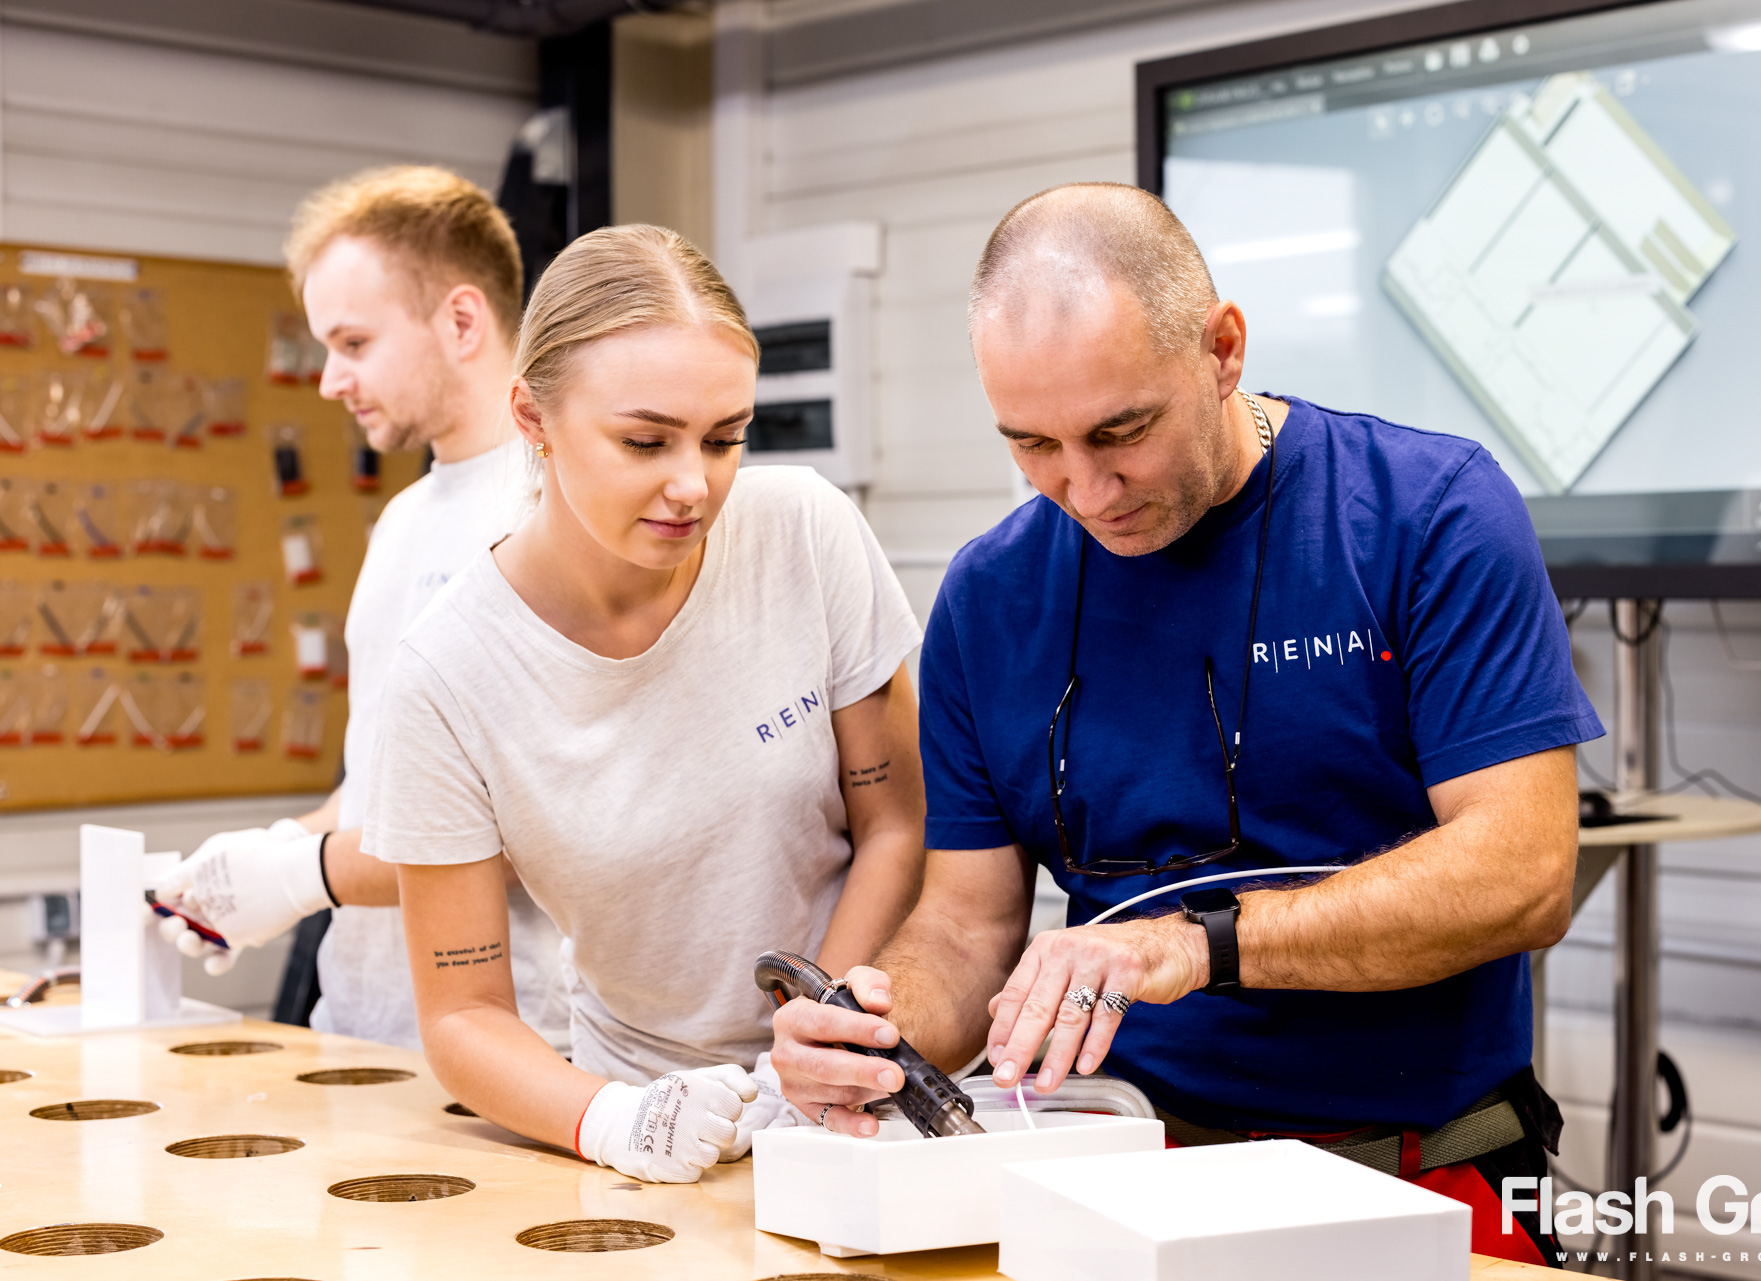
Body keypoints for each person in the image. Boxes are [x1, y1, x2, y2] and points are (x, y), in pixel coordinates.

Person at [769, 183, 1602, 1267]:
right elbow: (968, 928)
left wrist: (1196, 948)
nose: (1087, 488)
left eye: (1123, 431)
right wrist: (879, 1027)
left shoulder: (1424, 516)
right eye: (1032, 446)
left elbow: (1523, 871)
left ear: (1222, 350)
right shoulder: (991, 596)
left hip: (1414, 1174)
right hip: (1117, 1181)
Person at [359, 224, 926, 1184]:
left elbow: (897, 822)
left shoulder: (804, 533)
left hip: (870, 1078)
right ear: (531, 418)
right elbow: (463, 1015)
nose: (692, 484)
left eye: (725, 438)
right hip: (652, 1115)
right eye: (644, 440)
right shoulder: (447, 674)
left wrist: (816, 1034)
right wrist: (615, 1120)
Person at [156, 166, 569, 1053]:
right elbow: (384, 778)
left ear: (461, 320)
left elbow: (524, 828)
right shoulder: (405, 521)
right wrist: (254, 857)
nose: (328, 380)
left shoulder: (551, 515)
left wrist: (303, 875)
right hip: (364, 1032)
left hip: (521, 1043)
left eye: (353, 343)